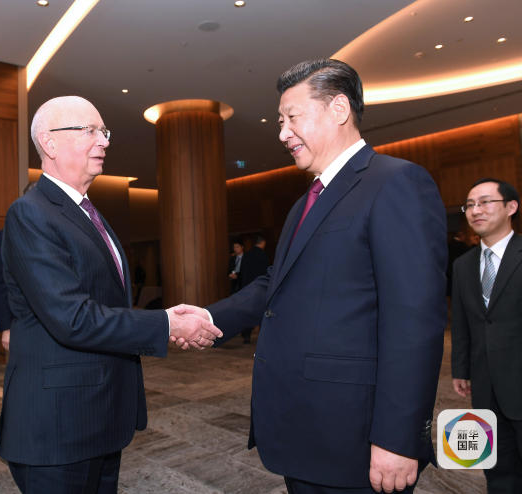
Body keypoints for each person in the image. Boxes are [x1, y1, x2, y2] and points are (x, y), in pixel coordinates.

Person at [174, 59, 447, 493]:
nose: (282, 133)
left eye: (292, 117)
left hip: (356, 438)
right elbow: (276, 284)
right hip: (304, 429)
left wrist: (398, 438)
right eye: (280, 121)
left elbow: (414, 322)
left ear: (339, 109)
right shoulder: (306, 202)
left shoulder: (395, 183)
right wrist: (209, 318)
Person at [0, 95, 222, 494]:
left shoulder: (87, 212)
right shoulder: (31, 212)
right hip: (58, 428)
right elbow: (72, 318)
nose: (104, 141)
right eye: (90, 131)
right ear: (49, 143)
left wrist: (164, 319)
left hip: (98, 416)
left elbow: (104, 303)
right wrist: (166, 324)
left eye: (104, 132)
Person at [452, 178, 522, 494]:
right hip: (485, 385)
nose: (475, 210)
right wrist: (461, 369)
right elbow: (462, 322)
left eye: (484, 202)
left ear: (511, 207)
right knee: (497, 469)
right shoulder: (463, 265)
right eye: (470, 205)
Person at [0, 181, 37, 351]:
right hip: (23, 321)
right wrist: (6, 327)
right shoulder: (8, 234)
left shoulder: (64, 232)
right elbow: (1, 283)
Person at [238, 235, 269, 343]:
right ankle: (263, 337)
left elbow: (242, 272)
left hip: (247, 287)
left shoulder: (247, 255)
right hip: (260, 288)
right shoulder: (263, 255)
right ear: (263, 243)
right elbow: (266, 273)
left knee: (247, 312)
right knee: (262, 312)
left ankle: (246, 336)